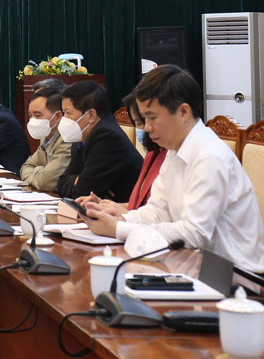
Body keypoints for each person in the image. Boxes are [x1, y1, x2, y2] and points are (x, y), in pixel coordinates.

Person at [84, 65, 264, 272]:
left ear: (183, 112)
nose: (147, 127)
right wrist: (118, 219)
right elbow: (158, 211)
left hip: (237, 277)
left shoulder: (210, 157)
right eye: (144, 119)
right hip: (191, 264)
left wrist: (119, 228)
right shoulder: (174, 151)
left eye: (152, 117)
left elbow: (194, 233)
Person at [76, 91, 167, 212]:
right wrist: (104, 205)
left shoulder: (172, 155)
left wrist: (123, 213)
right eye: (138, 123)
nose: (147, 128)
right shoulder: (153, 154)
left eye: (151, 119)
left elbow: (164, 215)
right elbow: (143, 206)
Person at [55, 81, 141, 201]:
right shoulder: (81, 136)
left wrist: (80, 181)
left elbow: (83, 192)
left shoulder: (107, 137)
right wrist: (80, 180)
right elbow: (61, 184)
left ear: (91, 115)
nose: (64, 119)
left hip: (126, 209)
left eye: (68, 113)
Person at [19, 83, 72, 191]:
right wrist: (41, 171)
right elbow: (25, 167)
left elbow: (46, 182)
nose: (32, 120)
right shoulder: (45, 136)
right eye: (30, 115)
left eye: (38, 115)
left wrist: (38, 171)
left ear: (57, 116)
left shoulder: (67, 139)